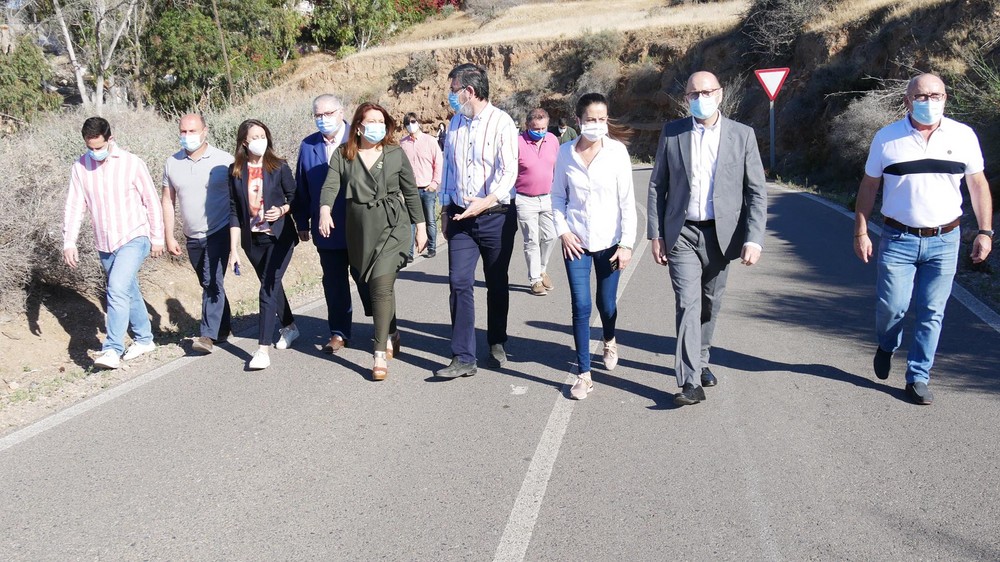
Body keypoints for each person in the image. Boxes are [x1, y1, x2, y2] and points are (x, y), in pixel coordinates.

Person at [854, 73, 993, 405]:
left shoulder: (963, 136)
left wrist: (986, 232)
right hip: (897, 237)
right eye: (921, 97)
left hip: (945, 239)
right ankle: (888, 344)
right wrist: (860, 229)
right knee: (892, 308)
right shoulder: (887, 138)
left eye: (936, 96)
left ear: (946, 98)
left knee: (932, 310)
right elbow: (869, 185)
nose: (929, 102)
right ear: (906, 101)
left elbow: (977, 185)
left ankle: (918, 376)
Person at [647, 70, 768, 406]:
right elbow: (658, 185)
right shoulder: (673, 134)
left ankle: (701, 361)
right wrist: (655, 234)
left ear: (720, 93)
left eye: (707, 91)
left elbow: (756, 191)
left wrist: (754, 238)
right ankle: (689, 382)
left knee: (710, 304)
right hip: (682, 232)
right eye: (693, 93)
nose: (701, 98)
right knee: (688, 303)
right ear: (686, 99)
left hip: (722, 235)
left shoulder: (742, 135)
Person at [318, 103, 427, 381]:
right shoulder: (344, 155)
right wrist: (325, 209)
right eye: (372, 121)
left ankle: (379, 354)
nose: (378, 125)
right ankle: (391, 330)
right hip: (359, 231)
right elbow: (331, 184)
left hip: (392, 226)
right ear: (359, 125)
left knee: (380, 285)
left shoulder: (394, 153)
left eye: (382, 120)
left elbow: (411, 191)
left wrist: (421, 225)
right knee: (366, 283)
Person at [435, 63, 519, 379]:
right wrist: (445, 211)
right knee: (459, 282)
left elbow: (508, 171)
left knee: (496, 281)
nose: (450, 97)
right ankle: (463, 356)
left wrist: (486, 201)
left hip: (495, 216)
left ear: (469, 91)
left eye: (453, 90)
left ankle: (496, 340)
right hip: (460, 218)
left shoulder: (502, 123)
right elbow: (448, 171)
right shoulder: (455, 123)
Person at [62, 116, 164, 369]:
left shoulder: (132, 163)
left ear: (110, 139)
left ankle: (112, 348)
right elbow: (75, 206)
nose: (95, 152)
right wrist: (69, 242)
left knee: (117, 288)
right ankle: (144, 338)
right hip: (104, 242)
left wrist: (157, 237)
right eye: (90, 148)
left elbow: (151, 200)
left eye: (99, 147)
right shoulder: (80, 167)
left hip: (134, 236)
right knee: (127, 290)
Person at [552, 94, 636, 399]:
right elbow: (557, 197)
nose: (597, 125)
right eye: (591, 119)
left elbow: (627, 203)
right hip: (576, 242)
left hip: (611, 244)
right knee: (581, 305)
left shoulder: (617, 153)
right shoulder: (565, 154)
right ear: (578, 120)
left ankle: (610, 339)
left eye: (602, 119)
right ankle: (584, 374)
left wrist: (626, 244)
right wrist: (563, 232)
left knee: (607, 303)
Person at [227, 119, 300, 370]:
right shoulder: (236, 171)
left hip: (279, 237)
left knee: (267, 287)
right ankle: (290, 327)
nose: (260, 140)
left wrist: (281, 210)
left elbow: (295, 198)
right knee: (271, 285)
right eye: (254, 137)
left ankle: (262, 350)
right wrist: (234, 249)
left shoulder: (278, 167)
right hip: (252, 240)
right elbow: (234, 210)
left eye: (263, 135)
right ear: (244, 142)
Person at [161, 113, 235, 354]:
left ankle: (207, 336)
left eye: (192, 131)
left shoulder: (224, 160)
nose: (187, 136)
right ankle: (222, 327)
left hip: (219, 230)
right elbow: (167, 200)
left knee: (212, 280)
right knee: (209, 282)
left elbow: (239, 197)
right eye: (183, 132)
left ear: (205, 131)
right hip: (191, 236)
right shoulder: (172, 163)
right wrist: (169, 235)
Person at [293, 94, 353, 355]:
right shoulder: (308, 145)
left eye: (328, 114)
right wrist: (302, 220)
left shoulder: (360, 138)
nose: (323, 119)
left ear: (341, 112)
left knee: (369, 281)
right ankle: (339, 332)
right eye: (318, 115)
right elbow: (302, 185)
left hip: (360, 225)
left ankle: (385, 330)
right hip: (325, 228)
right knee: (334, 282)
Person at [515, 107, 560, 296]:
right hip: (525, 199)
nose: (540, 132)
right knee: (531, 239)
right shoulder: (517, 142)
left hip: (548, 197)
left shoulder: (553, 140)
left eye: (543, 128)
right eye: (536, 128)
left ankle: (541, 269)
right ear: (527, 126)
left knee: (551, 236)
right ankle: (534, 280)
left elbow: (557, 167)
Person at [400, 112, 443, 259]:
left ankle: (431, 247)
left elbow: (438, 163)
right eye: (407, 123)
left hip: (427, 188)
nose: (410, 125)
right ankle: (410, 253)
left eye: (412, 121)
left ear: (418, 122)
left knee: (429, 219)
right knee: (411, 222)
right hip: (410, 190)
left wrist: (434, 184)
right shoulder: (403, 144)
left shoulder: (430, 141)